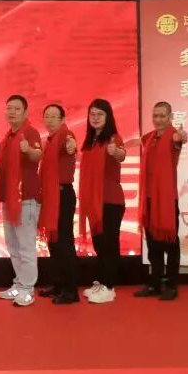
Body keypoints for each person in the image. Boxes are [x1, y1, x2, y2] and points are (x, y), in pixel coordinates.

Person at [0, 94, 43, 307]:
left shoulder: (30, 132)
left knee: (26, 247)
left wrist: (28, 149)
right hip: (10, 200)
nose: (12, 112)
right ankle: (20, 283)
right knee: (13, 246)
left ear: (25, 112)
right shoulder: (8, 136)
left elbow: (37, 155)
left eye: (17, 108)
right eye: (9, 108)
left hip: (26, 199)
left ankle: (28, 289)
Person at [135, 101, 187, 301]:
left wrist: (182, 136)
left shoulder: (173, 136)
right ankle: (155, 284)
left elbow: (180, 138)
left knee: (171, 245)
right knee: (153, 244)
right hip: (149, 198)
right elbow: (136, 141)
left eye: (162, 116)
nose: (158, 119)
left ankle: (172, 286)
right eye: (155, 115)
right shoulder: (149, 138)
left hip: (166, 200)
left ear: (170, 117)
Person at [79, 98, 126, 304]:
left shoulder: (114, 138)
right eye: (92, 114)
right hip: (94, 202)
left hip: (111, 200)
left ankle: (109, 286)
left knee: (109, 244)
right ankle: (102, 282)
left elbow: (121, 155)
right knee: (99, 244)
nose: (95, 118)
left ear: (108, 117)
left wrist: (116, 152)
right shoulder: (91, 141)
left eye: (100, 114)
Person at [38, 104, 79, 304]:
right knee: (53, 242)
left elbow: (70, 145)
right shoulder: (49, 140)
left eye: (54, 116)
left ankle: (71, 290)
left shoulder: (65, 135)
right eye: (47, 116)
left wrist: (72, 145)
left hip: (63, 195)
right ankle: (59, 284)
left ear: (62, 119)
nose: (50, 120)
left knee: (64, 243)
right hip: (51, 196)